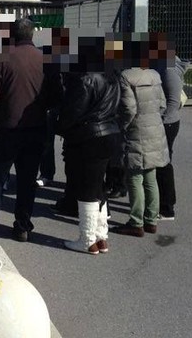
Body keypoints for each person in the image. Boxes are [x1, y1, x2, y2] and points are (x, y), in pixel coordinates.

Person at [0, 18, 53, 242]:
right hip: (35, 127)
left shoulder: (2, 58)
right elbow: (55, 94)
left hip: (7, 129)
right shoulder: (44, 59)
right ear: (32, 35)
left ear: (13, 35)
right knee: (27, 181)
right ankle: (22, 226)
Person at [56, 37, 122, 254]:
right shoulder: (112, 76)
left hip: (89, 137)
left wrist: (59, 125)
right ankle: (101, 236)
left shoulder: (84, 79)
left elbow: (73, 112)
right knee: (98, 187)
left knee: (86, 190)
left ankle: (86, 239)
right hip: (110, 133)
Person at [113, 51, 169, 238]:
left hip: (136, 131)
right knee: (151, 177)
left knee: (134, 177)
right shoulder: (155, 75)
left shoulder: (126, 77)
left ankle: (136, 221)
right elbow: (162, 104)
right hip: (155, 129)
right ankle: (151, 220)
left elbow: (129, 108)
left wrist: (122, 125)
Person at [156, 54, 188, 220]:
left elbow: (173, 102)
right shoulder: (161, 64)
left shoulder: (169, 70)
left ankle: (167, 207)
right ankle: (158, 202)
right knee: (159, 162)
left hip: (167, 123)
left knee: (163, 164)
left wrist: (160, 121)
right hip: (163, 122)